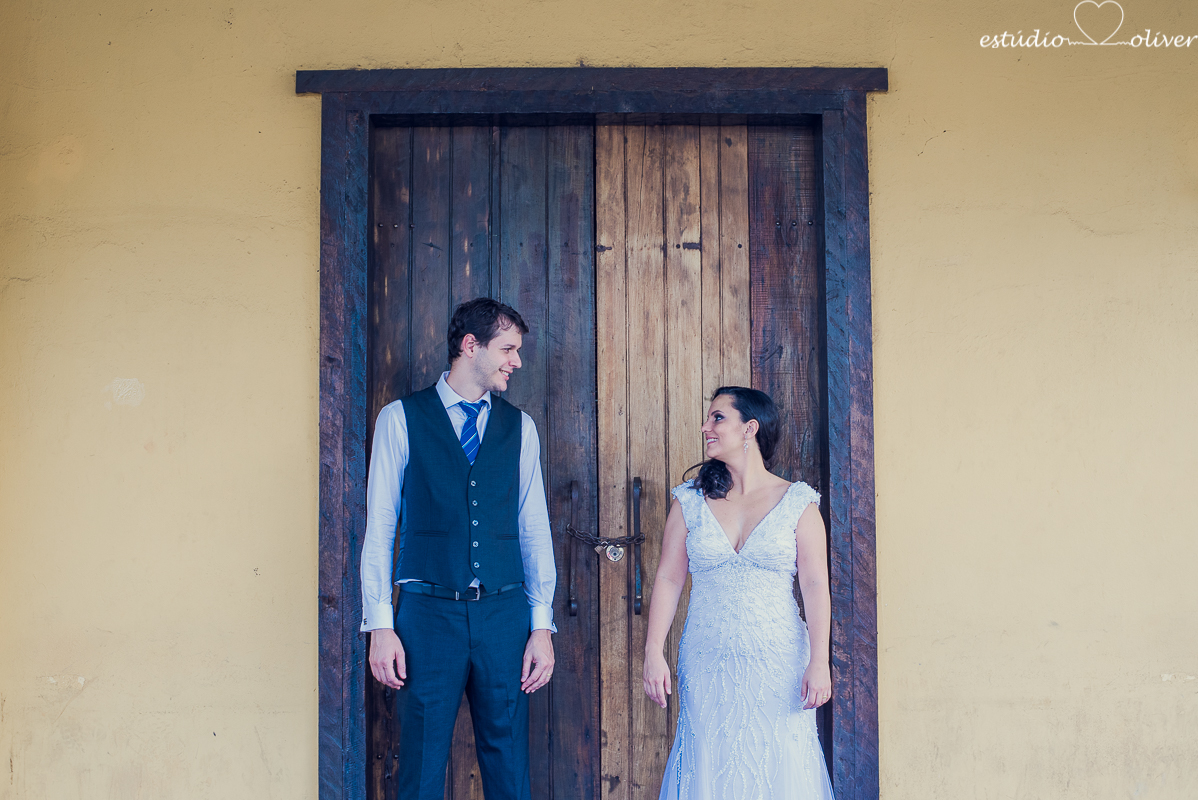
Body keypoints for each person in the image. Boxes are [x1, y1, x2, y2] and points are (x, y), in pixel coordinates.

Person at [360, 297, 556, 800]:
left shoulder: (521, 428)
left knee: (509, 765)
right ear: (471, 346)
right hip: (427, 615)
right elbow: (380, 527)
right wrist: (380, 624)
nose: (516, 361)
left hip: (504, 615)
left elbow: (534, 531)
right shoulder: (400, 419)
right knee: (421, 767)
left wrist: (541, 627)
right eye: (507, 349)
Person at [643, 386, 835, 800]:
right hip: (707, 660)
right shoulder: (691, 501)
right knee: (709, 761)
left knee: (778, 760)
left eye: (717, 418)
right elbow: (668, 579)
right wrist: (653, 652)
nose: (705, 427)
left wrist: (819, 661)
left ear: (750, 428)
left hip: (779, 664)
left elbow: (816, 585)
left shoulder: (797, 502)